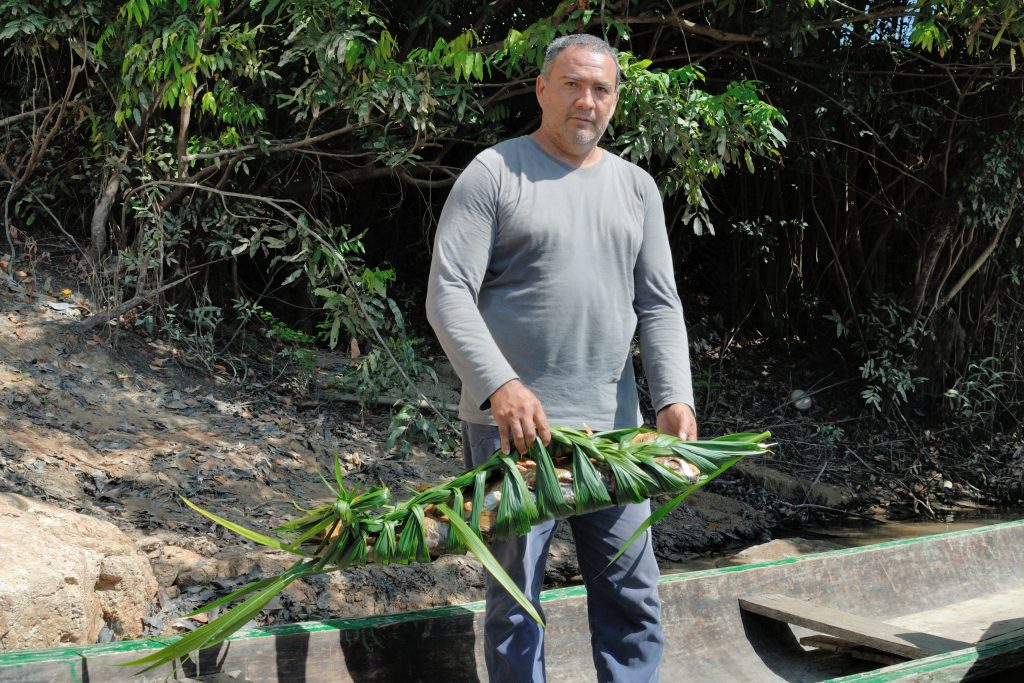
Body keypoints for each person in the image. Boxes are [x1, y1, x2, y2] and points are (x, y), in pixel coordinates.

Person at [425, 33, 696, 683]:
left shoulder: (636, 188)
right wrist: (500, 385)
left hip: (615, 434)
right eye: (572, 84)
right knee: (516, 602)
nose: (586, 100)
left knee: (632, 595)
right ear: (542, 89)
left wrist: (673, 397)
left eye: (600, 89)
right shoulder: (495, 172)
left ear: (615, 101)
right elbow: (447, 293)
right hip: (514, 431)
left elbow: (659, 305)